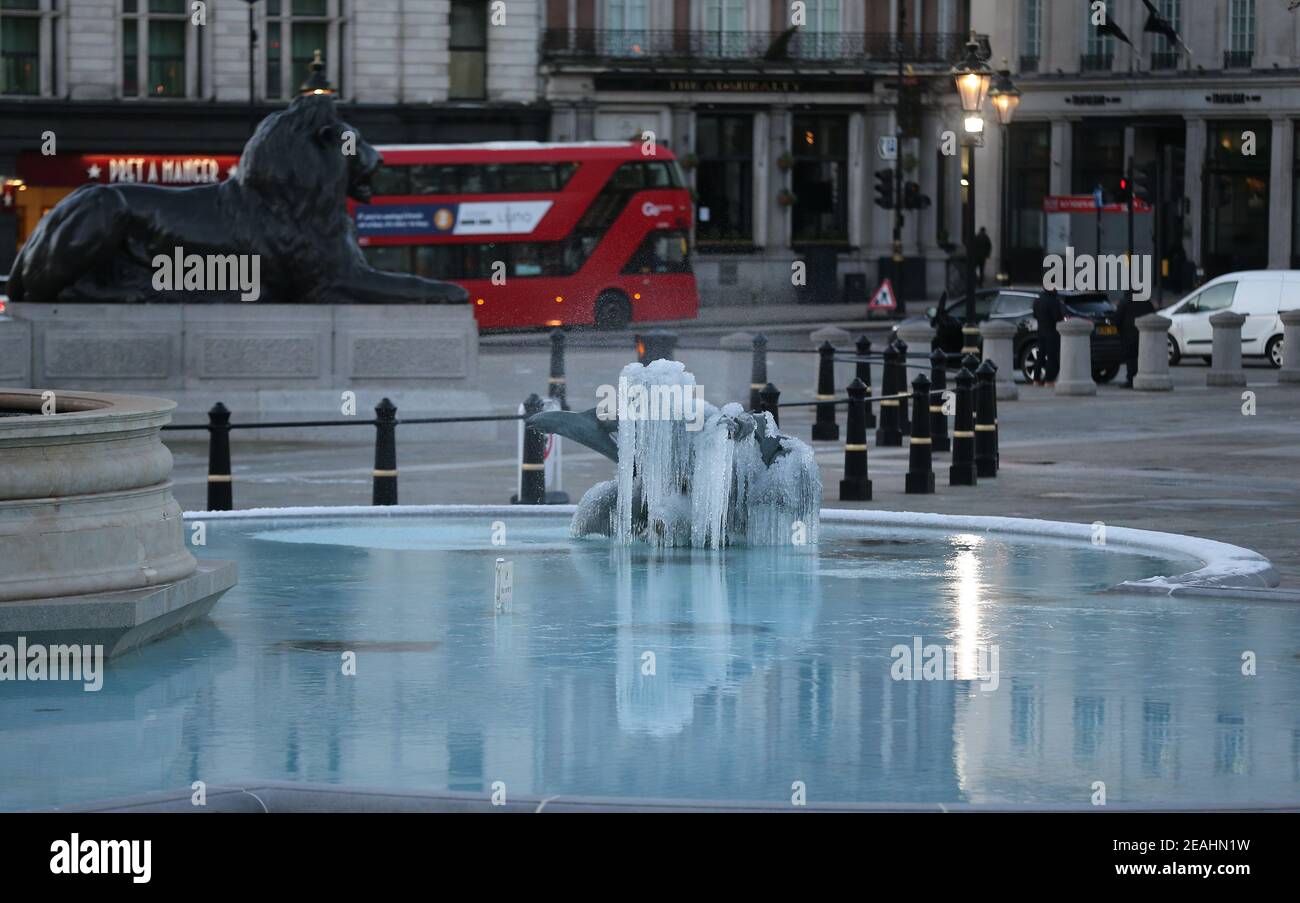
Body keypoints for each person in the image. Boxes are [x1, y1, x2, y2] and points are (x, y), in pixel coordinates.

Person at [1117, 292, 1156, 388]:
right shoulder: (1146, 301)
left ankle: (1131, 380)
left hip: (1129, 334)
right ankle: (1145, 376)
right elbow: (1153, 315)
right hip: (1145, 335)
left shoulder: (1125, 301)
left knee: (1131, 358)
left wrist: (1120, 330)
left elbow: (1118, 318)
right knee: (1143, 357)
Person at [1031, 290, 1063, 386]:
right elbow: (1058, 317)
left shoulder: (1038, 300)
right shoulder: (1053, 301)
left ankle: (1036, 379)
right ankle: (1049, 380)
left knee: (1040, 356)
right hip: (1052, 331)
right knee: (1052, 357)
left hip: (1041, 331)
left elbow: (1035, 315)